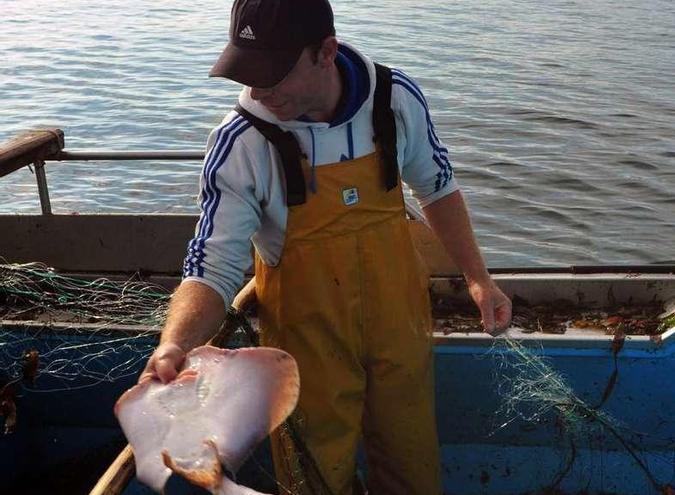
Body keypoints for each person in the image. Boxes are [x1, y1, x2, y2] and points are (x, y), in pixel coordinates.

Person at [139, 0, 512, 493]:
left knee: (412, 468)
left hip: (400, 330)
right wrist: (175, 343)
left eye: (274, 73)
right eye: (248, 72)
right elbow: (211, 266)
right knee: (314, 478)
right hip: (304, 356)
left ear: (325, 52)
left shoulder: (394, 100)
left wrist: (478, 280)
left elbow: (438, 188)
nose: (259, 90)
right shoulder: (241, 143)